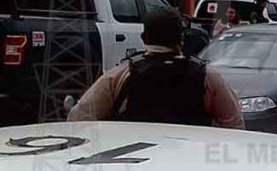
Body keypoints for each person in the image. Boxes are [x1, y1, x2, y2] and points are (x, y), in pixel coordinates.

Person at [69, 8, 245, 129]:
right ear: (181, 39)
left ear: (144, 38)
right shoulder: (208, 76)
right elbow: (235, 126)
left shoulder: (119, 76)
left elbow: (79, 119)